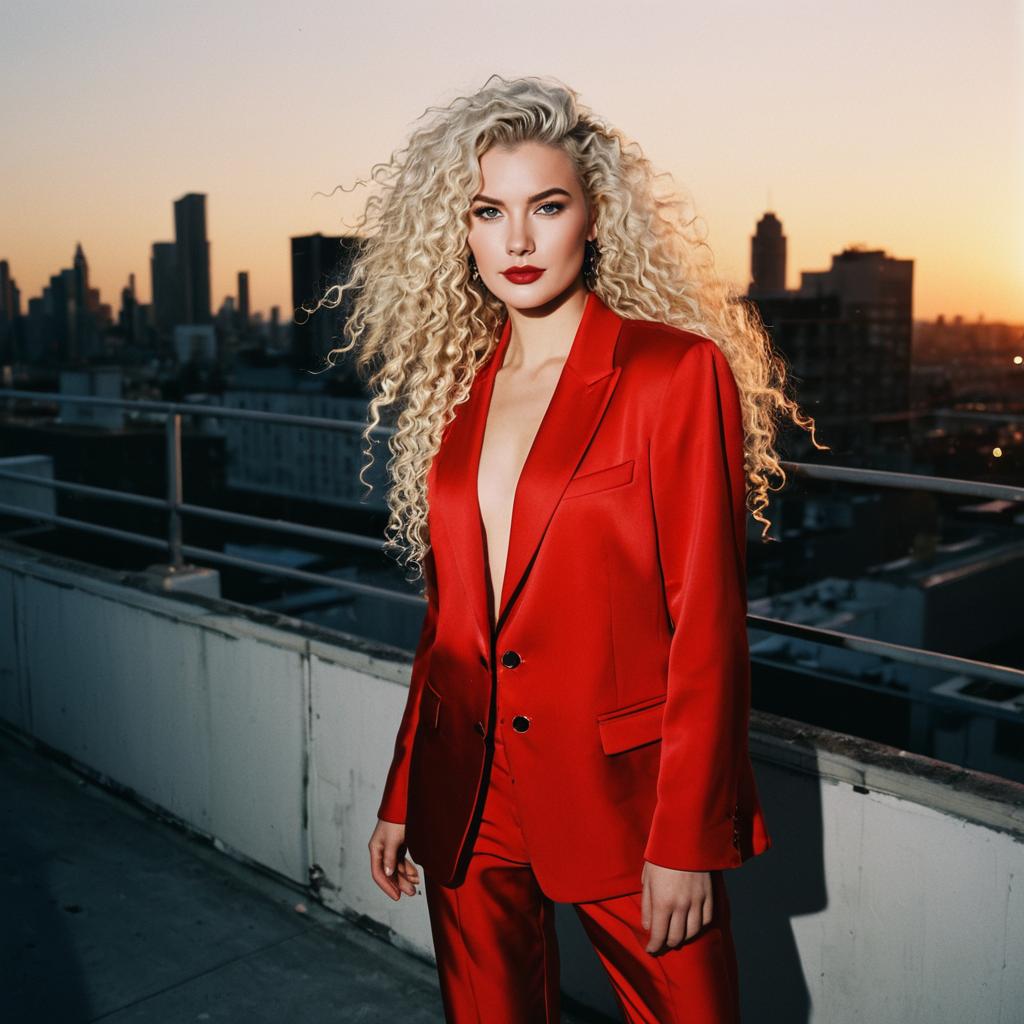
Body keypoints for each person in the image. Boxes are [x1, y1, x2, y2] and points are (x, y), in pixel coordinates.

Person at [317, 74, 824, 1023]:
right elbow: (451, 627)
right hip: (465, 789)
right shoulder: (458, 396)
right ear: (457, 231)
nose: (516, 240)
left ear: (594, 218)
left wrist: (685, 842)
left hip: (626, 800)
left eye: (546, 207)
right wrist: (402, 793)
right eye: (486, 212)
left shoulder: (672, 373)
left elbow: (706, 627)